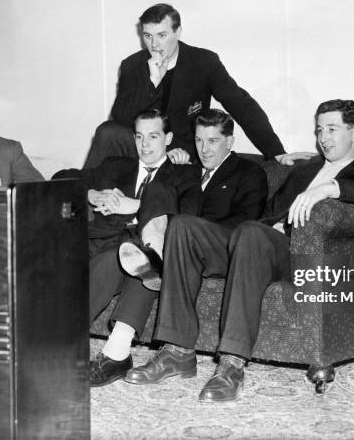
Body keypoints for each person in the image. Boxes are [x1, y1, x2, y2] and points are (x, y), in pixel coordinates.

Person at [125, 100, 354, 402]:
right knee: (183, 227)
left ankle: (231, 364)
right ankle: (177, 351)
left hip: (301, 254)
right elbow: (266, 213)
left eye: (332, 129)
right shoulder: (303, 171)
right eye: (320, 129)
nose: (323, 137)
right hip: (257, 245)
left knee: (251, 233)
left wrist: (331, 188)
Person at [87, 108, 268, 387]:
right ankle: (152, 256)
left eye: (213, 141)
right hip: (162, 243)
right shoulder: (189, 169)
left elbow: (244, 223)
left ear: (230, 142)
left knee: (157, 243)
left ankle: (116, 348)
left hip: (214, 246)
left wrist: (139, 207)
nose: (204, 149)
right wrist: (96, 194)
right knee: (140, 256)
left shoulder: (247, 172)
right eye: (198, 141)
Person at [83, 3, 314, 168]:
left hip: (184, 148)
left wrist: (277, 153)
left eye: (162, 35)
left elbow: (241, 105)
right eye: (148, 36)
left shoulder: (204, 62)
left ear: (178, 32)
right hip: (145, 144)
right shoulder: (133, 65)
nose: (154, 45)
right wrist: (152, 82)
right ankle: (78, 204)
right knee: (107, 131)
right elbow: (121, 118)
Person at [53, 109, 201, 330]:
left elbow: (187, 216)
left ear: (168, 138)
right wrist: (91, 194)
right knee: (44, 253)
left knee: (107, 263)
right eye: (139, 137)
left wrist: (136, 205)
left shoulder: (184, 174)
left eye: (153, 136)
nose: (145, 144)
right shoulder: (116, 165)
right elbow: (61, 177)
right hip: (92, 237)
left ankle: (63, 336)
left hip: (133, 247)